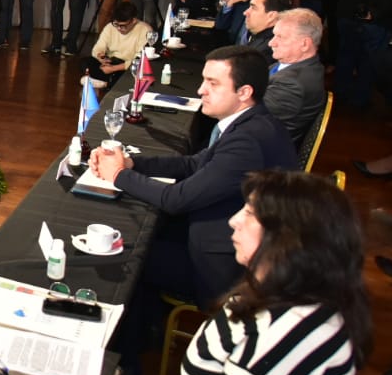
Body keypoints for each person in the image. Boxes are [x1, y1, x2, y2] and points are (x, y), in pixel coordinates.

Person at [96, 171, 368, 375]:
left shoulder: (284, 334)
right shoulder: (279, 291)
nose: (233, 220)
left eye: (250, 214)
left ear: (287, 240)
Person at [90, 45, 298, 308]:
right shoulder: (250, 123)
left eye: (213, 83)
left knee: (122, 256)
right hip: (210, 229)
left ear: (244, 92)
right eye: (203, 81)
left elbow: (176, 199)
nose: (201, 90)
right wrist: (131, 163)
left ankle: (140, 329)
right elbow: (193, 164)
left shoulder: (247, 141)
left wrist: (118, 175)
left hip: (218, 266)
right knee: (138, 231)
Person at [263, 8, 326, 149]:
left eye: (280, 37)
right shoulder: (293, 65)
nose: (271, 43)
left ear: (304, 44)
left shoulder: (293, 84)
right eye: (274, 35)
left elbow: (247, 113)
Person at [84, 1, 151, 90]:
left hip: (127, 66)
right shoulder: (110, 27)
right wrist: (100, 57)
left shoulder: (145, 30)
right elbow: (98, 47)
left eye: (123, 26)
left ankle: (105, 82)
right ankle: (106, 82)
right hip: (111, 61)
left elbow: (139, 60)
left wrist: (114, 68)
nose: (119, 28)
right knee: (86, 62)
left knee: (131, 74)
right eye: (116, 24)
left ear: (133, 21)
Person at [240, 0, 288, 67]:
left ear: (271, 16)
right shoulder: (256, 36)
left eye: (253, 8)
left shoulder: (266, 50)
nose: (245, 12)